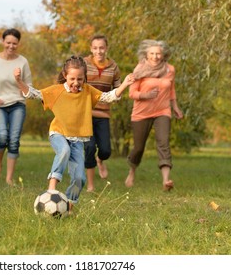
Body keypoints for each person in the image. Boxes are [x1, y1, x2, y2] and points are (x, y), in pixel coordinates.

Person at [14, 56, 135, 212]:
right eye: (72, 79)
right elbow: (34, 94)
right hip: (58, 133)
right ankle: (51, 188)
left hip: (78, 139)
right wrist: (19, 81)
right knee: (64, 150)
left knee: (80, 178)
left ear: (85, 78)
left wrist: (124, 84)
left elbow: (107, 97)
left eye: (80, 79)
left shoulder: (88, 91)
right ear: (65, 76)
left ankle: (69, 207)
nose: (76, 83)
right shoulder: (56, 91)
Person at [124, 40, 183, 191]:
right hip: (141, 113)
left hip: (163, 111)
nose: (155, 56)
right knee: (138, 147)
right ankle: (132, 172)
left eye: (158, 53)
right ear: (146, 54)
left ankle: (166, 181)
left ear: (163, 54)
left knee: (163, 143)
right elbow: (132, 93)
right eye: (152, 53)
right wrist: (146, 95)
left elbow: (172, 90)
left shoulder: (170, 69)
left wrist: (175, 107)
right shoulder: (139, 69)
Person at [0, 28, 32, 186]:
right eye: (8, 42)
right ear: (3, 42)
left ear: (18, 44)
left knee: (14, 140)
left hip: (17, 104)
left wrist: (19, 80)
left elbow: (29, 89)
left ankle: (9, 178)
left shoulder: (22, 62)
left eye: (14, 43)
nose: (11, 46)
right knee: (2, 136)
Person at [83, 35, 122, 192]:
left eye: (102, 48)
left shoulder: (113, 67)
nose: (99, 51)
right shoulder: (84, 64)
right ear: (91, 49)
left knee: (105, 150)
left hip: (103, 114)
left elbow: (117, 87)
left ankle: (101, 160)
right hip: (85, 114)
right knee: (90, 148)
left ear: (106, 48)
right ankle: (91, 185)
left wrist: (117, 95)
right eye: (95, 48)